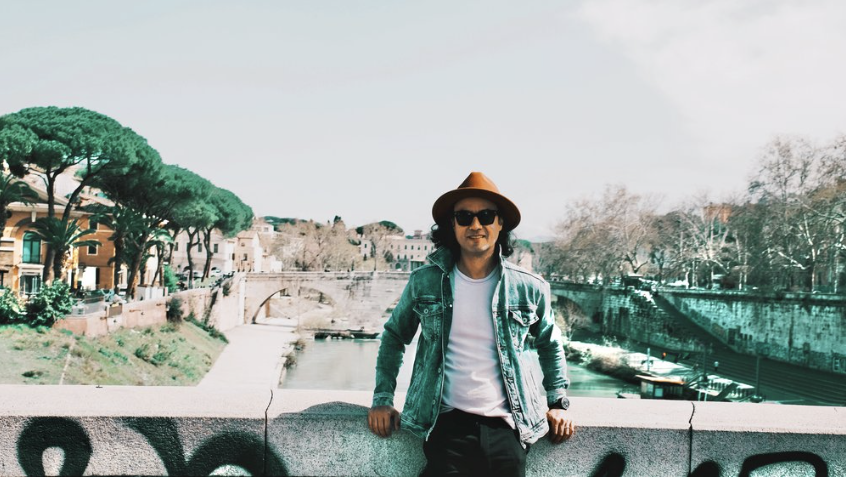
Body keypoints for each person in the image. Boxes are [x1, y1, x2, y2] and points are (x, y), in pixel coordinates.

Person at [368, 172, 575, 476]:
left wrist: (558, 402)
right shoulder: (425, 282)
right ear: (452, 226)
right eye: (464, 217)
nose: (475, 225)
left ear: (500, 223)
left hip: (508, 427)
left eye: (486, 216)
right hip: (445, 424)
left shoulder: (529, 287)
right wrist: (383, 398)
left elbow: (549, 343)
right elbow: (394, 336)